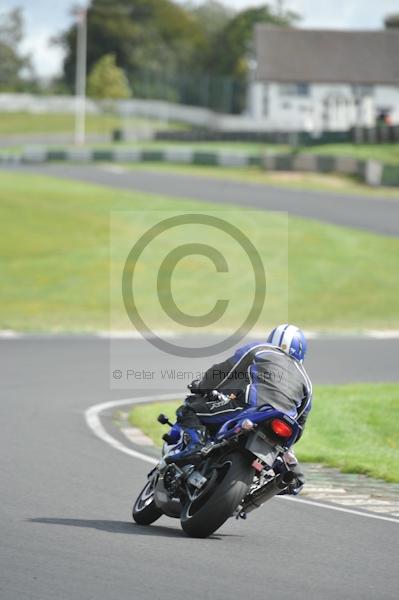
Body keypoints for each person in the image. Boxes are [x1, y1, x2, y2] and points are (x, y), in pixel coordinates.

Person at [166, 324, 312, 495]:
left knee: (190, 408)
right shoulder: (306, 381)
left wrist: (201, 386)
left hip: (251, 408)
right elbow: (300, 421)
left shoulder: (260, 349)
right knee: (291, 471)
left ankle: (195, 446)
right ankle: (277, 483)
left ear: (272, 340)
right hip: (283, 425)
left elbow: (225, 371)